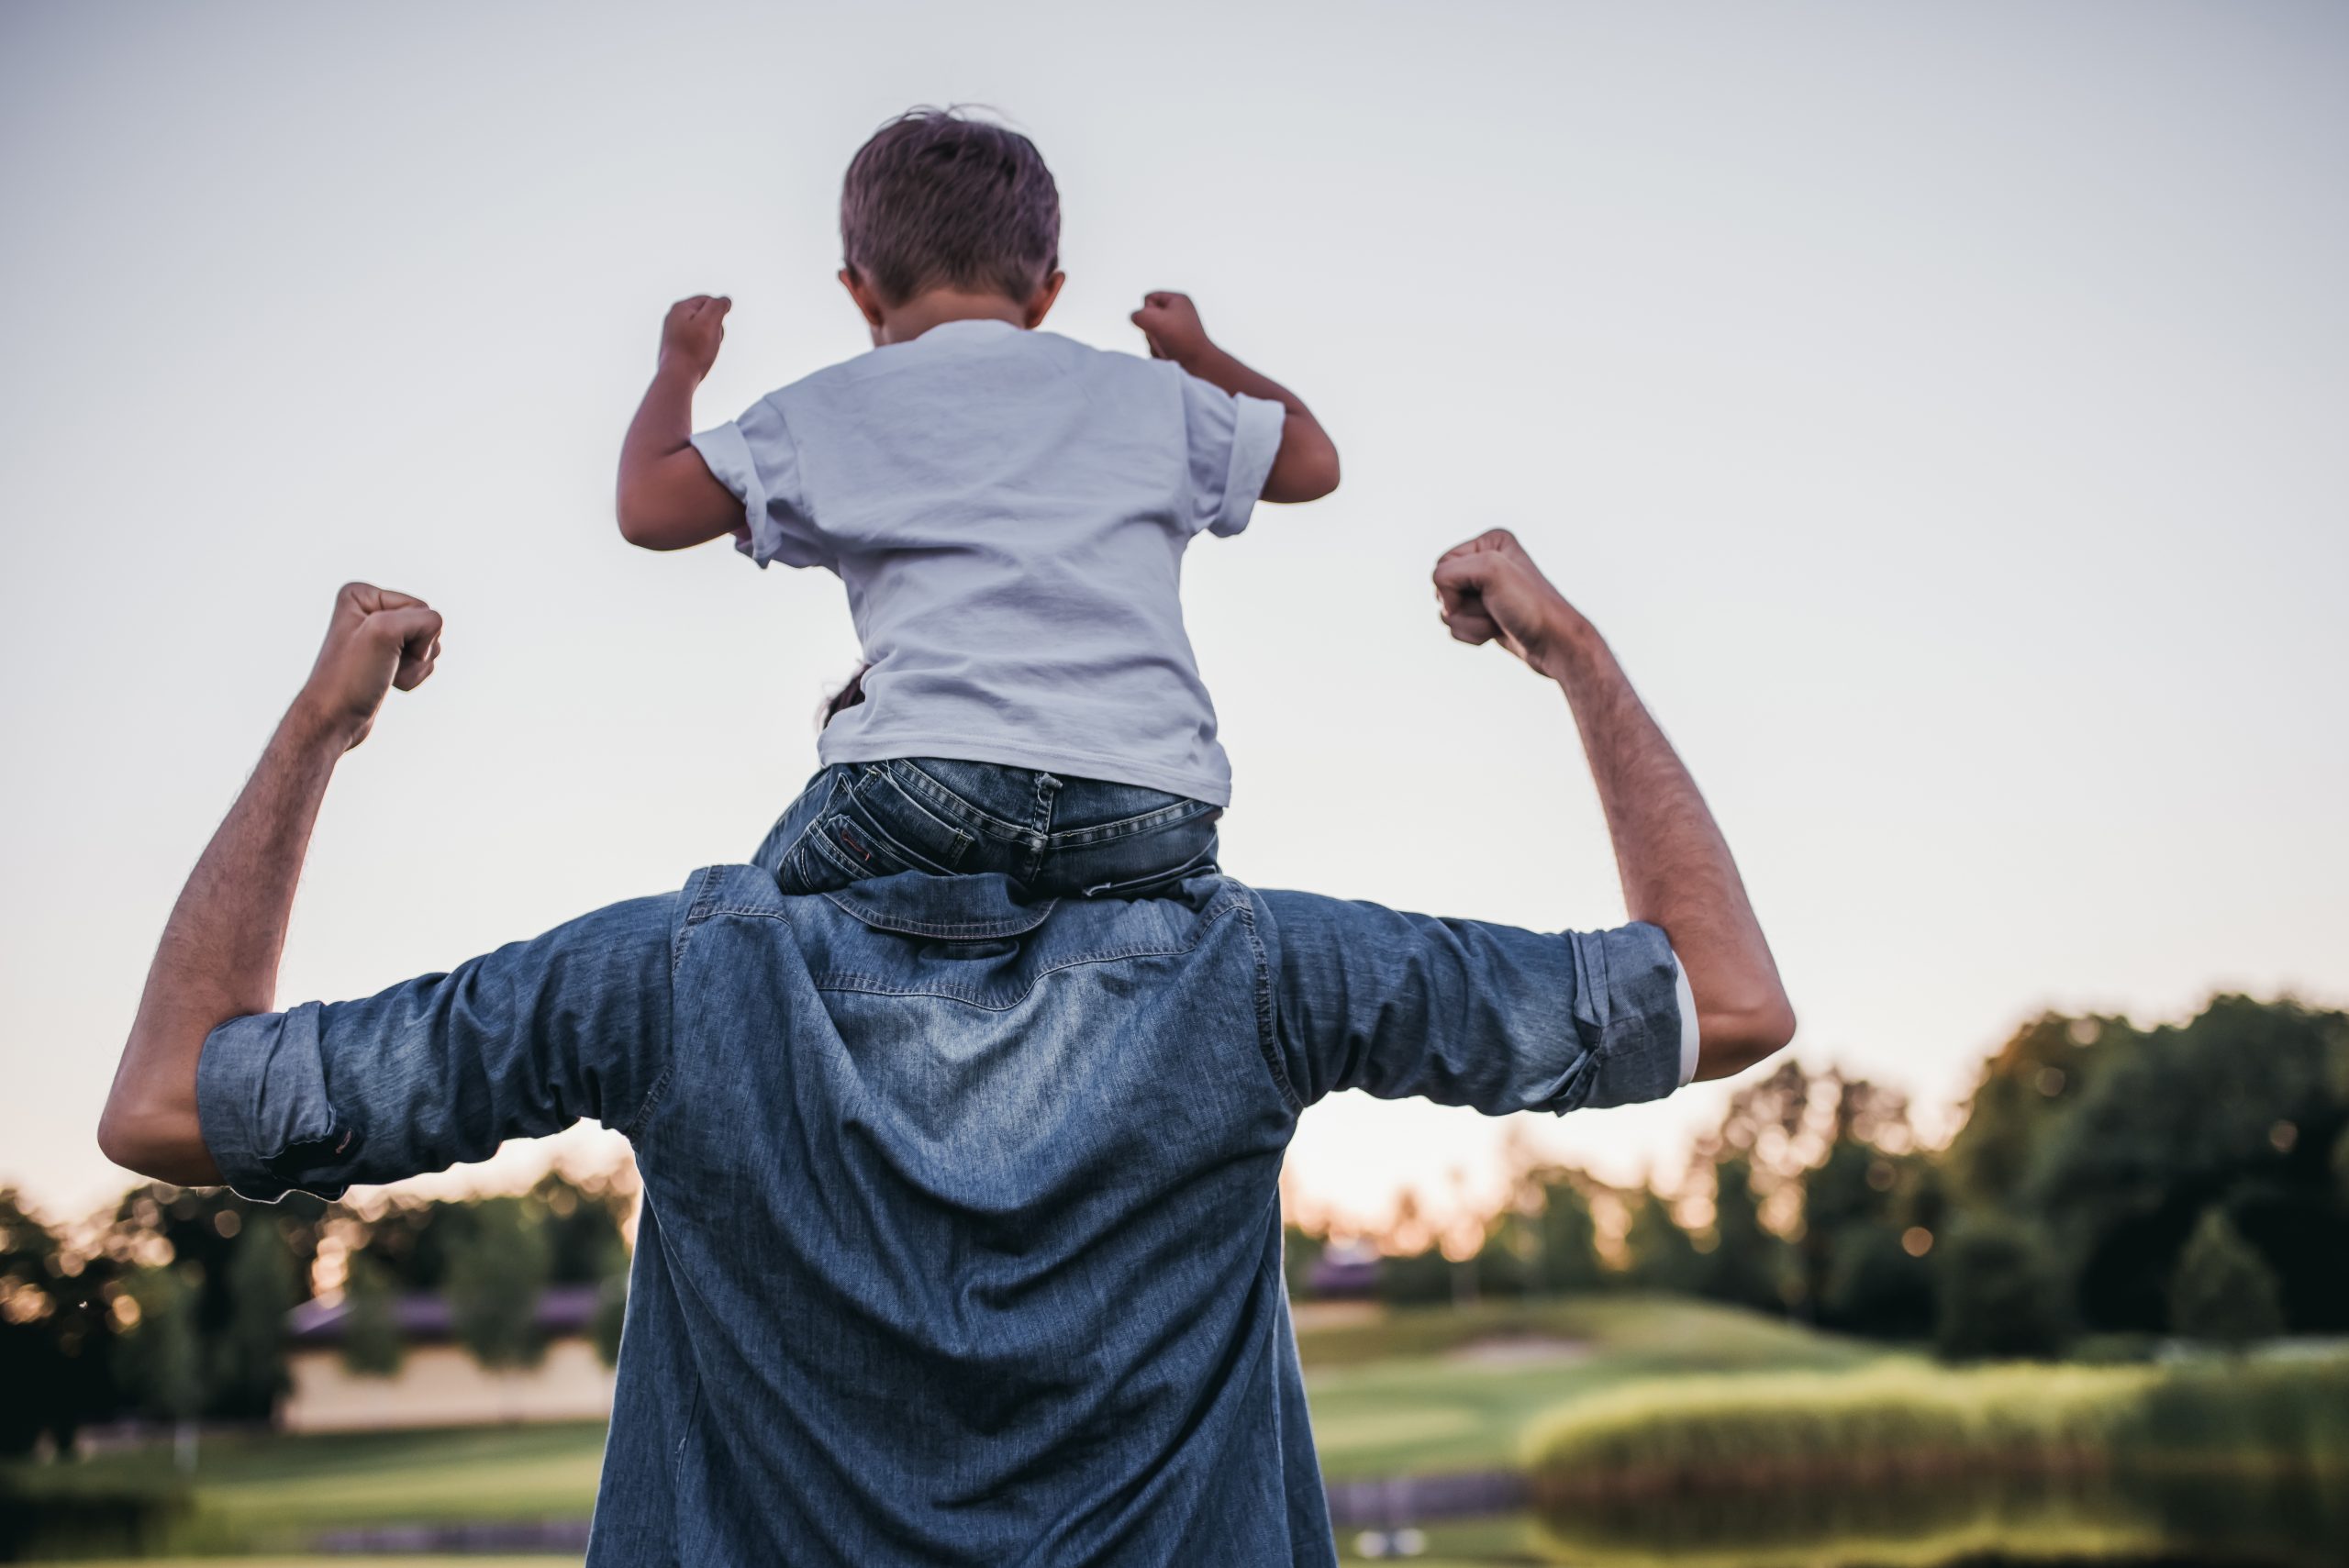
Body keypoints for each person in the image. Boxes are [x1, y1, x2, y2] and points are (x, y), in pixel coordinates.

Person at [98, 530, 1794, 1567]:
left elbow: (173, 1097)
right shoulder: (1259, 970)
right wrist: (1573, 652)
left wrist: (322, 727)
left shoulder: (668, 980)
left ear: (845, 761)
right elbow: (1725, 998)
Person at [613, 107, 1341, 899]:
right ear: (1047, 293)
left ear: (859, 293)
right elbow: (1313, 460)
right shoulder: (1151, 397)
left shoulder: (833, 407)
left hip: (930, 786)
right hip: (1154, 803)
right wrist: (1198, 355)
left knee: (740, 928)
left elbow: (648, 506)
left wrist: (678, 366)